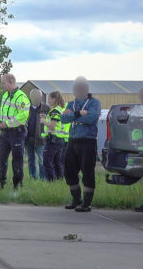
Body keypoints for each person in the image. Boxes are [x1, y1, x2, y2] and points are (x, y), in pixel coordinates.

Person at [61, 77, 102, 212]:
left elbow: (91, 118)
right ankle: (76, 199)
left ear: (86, 88)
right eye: (75, 87)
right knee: (69, 171)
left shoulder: (94, 103)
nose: (77, 90)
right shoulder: (70, 104)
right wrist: (79, 113)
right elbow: (63, 119)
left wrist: (73, 116)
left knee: (87, 172)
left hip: (88, 141)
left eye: (80, 87)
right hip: (73, 141)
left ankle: (86, 203)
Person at [0, 73, 30, 189]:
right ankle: (1, 183)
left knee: (17, 160)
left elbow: (23, 115)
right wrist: (1, 122)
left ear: (11, 82)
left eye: (3, 83)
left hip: (17, 132)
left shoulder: (21, 96)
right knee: (1, 159)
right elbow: (4, 113)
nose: (1, 85)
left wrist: (6, 123)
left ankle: (17, 185)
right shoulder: (5, 95)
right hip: (5, 133)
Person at [42, 91, 68, 181]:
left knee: (46, 161)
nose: (48, 100)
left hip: (53, 140)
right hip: (60, 140)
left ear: (55, 99)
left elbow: (52, 126)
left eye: (49, 98)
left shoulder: (55, 111)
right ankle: (59, 180)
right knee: (57, 162)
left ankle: (50, 181)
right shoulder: (60, 109)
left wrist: (43, 121)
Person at [25, 89, 46, 180]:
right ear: (31, 97)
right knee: (31, 160)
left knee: (41, 160)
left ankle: (43, 178)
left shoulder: (46, 108)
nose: (36, 98)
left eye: (38, 96)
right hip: (28, 138)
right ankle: (33, 178)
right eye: (34, 96)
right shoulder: (26, 108)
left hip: (41, 139)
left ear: (41, 97)